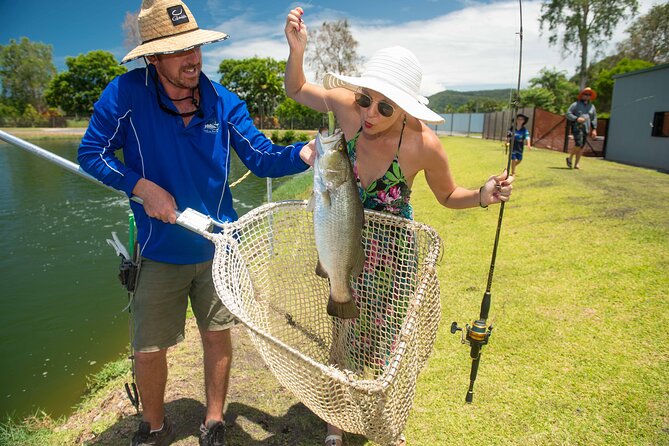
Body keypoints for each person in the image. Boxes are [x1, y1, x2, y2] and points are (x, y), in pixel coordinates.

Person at [78, 1, 314, 445]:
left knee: (217, 336)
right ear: (153, 57)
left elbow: (262, 159)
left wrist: (302, 154)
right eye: (178, 50)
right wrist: (141, 187)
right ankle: (153, 425)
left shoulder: (224, 102)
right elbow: (92, 153)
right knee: (148, 349)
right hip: (158, 249)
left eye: (195, 46)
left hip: (217, 247)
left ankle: (214, 419)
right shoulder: (125, 95)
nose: (193, 58)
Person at [284, 7, 513, 446]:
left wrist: (482, 195)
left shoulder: (424, 145)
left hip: (391, 257)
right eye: (366, 98)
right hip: (339, 241)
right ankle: (335, 429)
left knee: (386, 345)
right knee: (343, 336)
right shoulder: (348, 111)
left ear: (405, 108)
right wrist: (297, 51)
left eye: (384, 106)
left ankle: (384, 420)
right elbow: (296, 87)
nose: (369, 112)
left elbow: (448, 195)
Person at [565, 87, 597, 170]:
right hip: (577, 127)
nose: (587, 96)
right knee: (578, 144)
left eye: (589, 94)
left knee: (581, 146)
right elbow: (568, 113)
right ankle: (570, 158)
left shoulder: (592, 106)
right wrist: (576, 118)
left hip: (586, 128)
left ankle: (576, 164)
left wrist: (594, 129)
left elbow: (594, 118)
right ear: (582, 95)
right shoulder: (575, 104)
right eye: (585, 94)